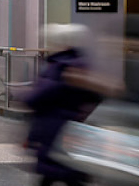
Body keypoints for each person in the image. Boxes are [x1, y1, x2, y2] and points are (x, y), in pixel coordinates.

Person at [26, 23, 106, 186]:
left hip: (55, 130)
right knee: (68, 175)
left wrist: (26, 96)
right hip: (76, 131)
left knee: (54, 174)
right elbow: (97, 95)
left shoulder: (59, 66)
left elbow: (39, 96)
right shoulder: (85, 64)